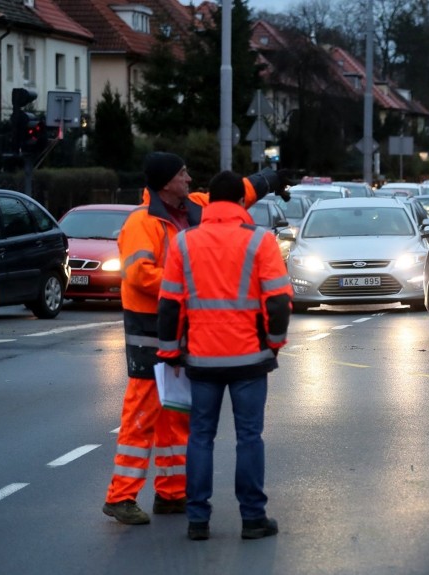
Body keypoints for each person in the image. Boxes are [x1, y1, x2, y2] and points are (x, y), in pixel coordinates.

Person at [102, 152, 290, 526]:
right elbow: (139, 274)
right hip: (149, 332)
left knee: (177, 417)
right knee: (142, 414)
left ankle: (172, 493)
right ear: (165, 182)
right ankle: (121, 496)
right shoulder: (143, 223)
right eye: (183, 174)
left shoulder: (189, 209)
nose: (190, 179)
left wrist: (271, 178)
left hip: (181, 331)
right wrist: (187, 283)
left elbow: (232, 196)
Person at [156, 170, 292, 541]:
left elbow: (169, 304)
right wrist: (274, 343)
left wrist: (170, 351)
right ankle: (252, 518)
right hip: (249, 357)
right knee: (249, 437)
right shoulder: (260, 241)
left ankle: (197, 519)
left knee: (200, 436)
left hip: (201, 359)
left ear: (210, 201)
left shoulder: (184, 243)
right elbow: (278, 301)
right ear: (239, 202)